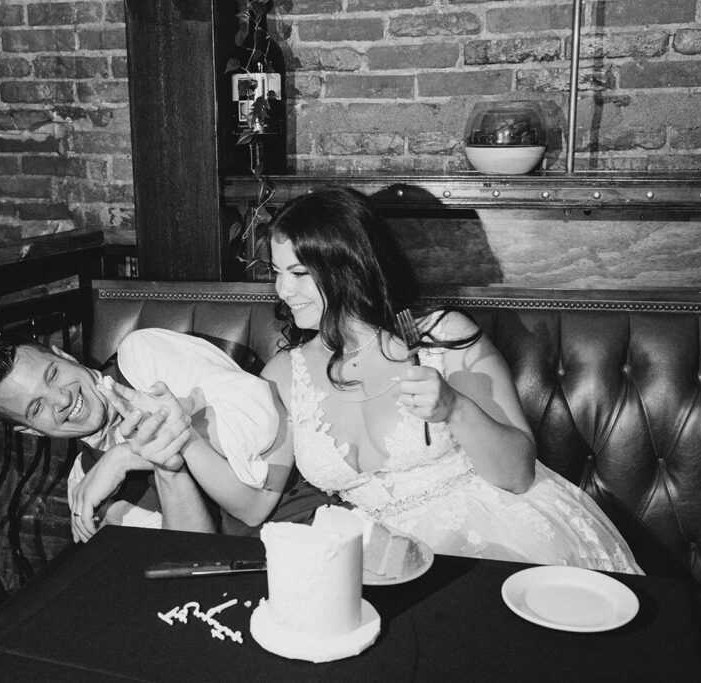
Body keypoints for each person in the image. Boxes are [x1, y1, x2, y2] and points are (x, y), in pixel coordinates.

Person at [262, 186, 642, 573]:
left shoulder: (443, 335)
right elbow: (252, 500)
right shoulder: (284, 372)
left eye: (298, 273)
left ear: (347, 267)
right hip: (382, 557)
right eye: (277, 272)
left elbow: (517, 475)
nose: (283, 290)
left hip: (498, 531)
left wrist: (454, 408)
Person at [0, 329, 332, 543]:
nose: (62, 399)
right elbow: (187, 553)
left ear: (62, 354)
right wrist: (165, 468)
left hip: (311, 519)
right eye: (36, 408)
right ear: (30, 430)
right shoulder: (88, 485)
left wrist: (125, 455)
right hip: (237, 574)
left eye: (52, 375)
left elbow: (260, 413)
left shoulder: (142, 355)